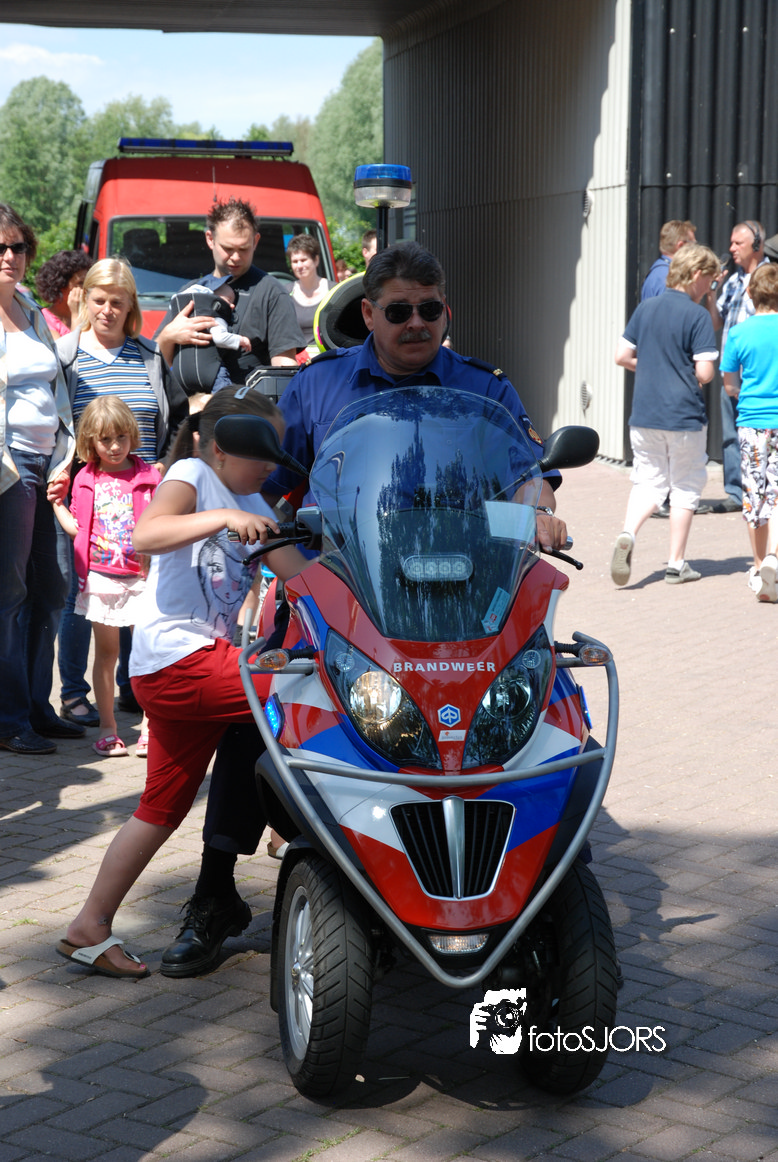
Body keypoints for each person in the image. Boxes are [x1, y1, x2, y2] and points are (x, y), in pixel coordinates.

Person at [161, 240, 570, 978]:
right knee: (262, 709)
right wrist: (258, 526)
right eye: (399, 310)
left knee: (531, 709)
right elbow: (262, 476)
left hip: (469, 590)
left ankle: (539, 883)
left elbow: (527, 474)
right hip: (342, 586)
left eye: (429, 309)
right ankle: (215, 893)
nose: (416, 323)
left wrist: (537, 510)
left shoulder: (485, 387)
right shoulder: (319, 384)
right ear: (370, 314)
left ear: (446, 312)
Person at [56, 388, 310, 979]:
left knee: (160, 808)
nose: (271, 463)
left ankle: (87, 928)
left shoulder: (254, 500)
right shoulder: (195, 474)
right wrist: (223, 518)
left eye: (276, 449)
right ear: (220, 446)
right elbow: (145, 535)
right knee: (305, 693)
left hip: (187, 669)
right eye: (260, 448)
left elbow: (307, 579)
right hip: (179, 662)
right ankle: (317, 848)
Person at [56, 258, 188, 728]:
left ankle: (134, 685)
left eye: (118, 301)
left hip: (144, 497)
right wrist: (62, 475)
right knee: (81, 591)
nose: (107, 310)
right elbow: (56, 426)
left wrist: (166, 465)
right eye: (99, 300)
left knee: (140, 587)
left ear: (131, 305)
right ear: (84, 300)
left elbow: (178, 419)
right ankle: (74, 693)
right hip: (88, 497)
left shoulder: (149, 356)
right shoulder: (66, 357)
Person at [0, 203, 78, 755]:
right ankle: (9, 719)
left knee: (50, 589)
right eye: (0, 248)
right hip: (7, 468)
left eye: (18, 247)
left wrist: (64, 457)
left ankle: (35, 706)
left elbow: (57, 390)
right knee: (9, 594)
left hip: (48, 463)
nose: (10, 256)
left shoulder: (29, 307)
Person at [53, 396, 160, 756]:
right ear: (91, 441)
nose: (115, 446)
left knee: (145, 653)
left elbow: (163, 522)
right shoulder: (86, 478)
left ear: (132, 435)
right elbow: (77, 528)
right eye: (105, 439)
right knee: (106, 654)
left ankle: (150, 726)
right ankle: (108, 728)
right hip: (101, 579)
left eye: (121, 437)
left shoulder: (148, 476)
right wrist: (56, 504)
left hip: (142, 578)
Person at [610, 243, 720, 588]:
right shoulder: (697, 316)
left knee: (648, 481)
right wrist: (686, 371)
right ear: (697, 274)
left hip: (644, 413)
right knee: (685, 485)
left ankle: (628, 532)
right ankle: (676, 563)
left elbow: (622, 356)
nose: (709, 287)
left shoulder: (646, 308)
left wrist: (653, 367)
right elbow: (704, 373)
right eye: (710, 280)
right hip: (683, 414)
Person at [155, 197, 304, 377]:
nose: (235, 257)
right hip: (193, 395)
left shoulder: (272, 293)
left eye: (243, 249)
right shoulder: (190, 292)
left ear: (255, 241)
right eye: (228, 248)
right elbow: (155, 364)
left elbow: (284, 366)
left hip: (248, 394)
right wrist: (168, 336)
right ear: (210, 239)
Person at [720, 263, 778, 601]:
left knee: (755, 493)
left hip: (752, 422)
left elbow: (730, 384)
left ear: (751, 293)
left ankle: (759, 568)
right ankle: (775, 557)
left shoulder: (740, 333)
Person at [708, 220, 769, 511]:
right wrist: (711, 294)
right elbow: (716, 323)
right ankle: (736, 493)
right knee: (731, 436)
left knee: (765, 433)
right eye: (731, 243)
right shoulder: (732, 282)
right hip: (731, 373)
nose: (731, 248)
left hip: (760, 374)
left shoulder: (770, 278)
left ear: (756, 245)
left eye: (738, 243)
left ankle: (765, 488)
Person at [169, 278, 251, 395]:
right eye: (228, 300)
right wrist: (240, 340)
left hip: (180, 373)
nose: (232, 306)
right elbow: (220, 338)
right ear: (213, 300)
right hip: (210, 372)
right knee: (225, 398)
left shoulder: (181, 320)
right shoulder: (215, 317)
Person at [286, 234, 335, 355]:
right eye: (295, 261)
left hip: (328, 357)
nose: (299, 266)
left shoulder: (333, 290)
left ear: (316, 260)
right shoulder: (285, 293)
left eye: (303, 260)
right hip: (298, 359)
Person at [35, 250, 93, 339]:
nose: (86, 289)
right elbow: (73, 347)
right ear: (60, 285)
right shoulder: (43, 320)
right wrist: (76, 314)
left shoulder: (89, 316)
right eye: (80, 283)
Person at [641, 220, 696, 301]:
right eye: (693, 245)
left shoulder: (658, 271)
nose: (696, 251)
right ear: (680, 246)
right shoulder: (668, 277)